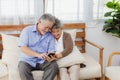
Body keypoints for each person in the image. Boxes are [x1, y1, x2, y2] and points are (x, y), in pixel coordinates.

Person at [18, 13, 59, 80]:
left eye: (49, 28)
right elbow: (23, 47)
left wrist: (50, 57)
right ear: (39, 22)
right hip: (27, 60)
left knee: (54, 66)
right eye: (46, 27)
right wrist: (38, 55)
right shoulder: (27, 31)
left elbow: (51, 50)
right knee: (22, 68)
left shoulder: (50, 35)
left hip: (43, 61)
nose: (47, 30)